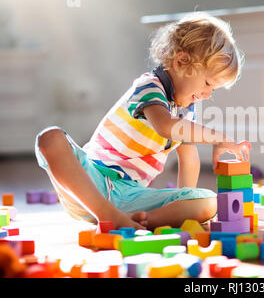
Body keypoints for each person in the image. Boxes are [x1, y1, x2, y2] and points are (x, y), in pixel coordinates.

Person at [35, 12, 251, 231]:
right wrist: (219, 138)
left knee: (208, 202)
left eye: (213, 88)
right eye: (207, 83)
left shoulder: (186, 110)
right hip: (90, 181)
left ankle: (137, 221)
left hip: (131, 198)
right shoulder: (149, 87)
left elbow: (190, 161)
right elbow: (166, 127)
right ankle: (107, 216)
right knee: (50, 138)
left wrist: (182, 199)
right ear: (181, 62)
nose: (208, 94)